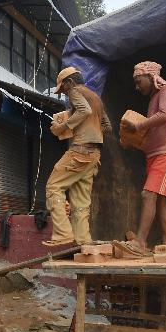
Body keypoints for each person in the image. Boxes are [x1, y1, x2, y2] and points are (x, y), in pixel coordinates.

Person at [116, 61, 166, 256]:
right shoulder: (154, 98)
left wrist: (138, 127)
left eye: (139, 82)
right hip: (155, 154)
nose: (137, 87)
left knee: (148, 195)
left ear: (150, 77)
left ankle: (140, 242)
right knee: (159, 200)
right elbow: (153, 134)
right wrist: (133, 142)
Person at [44, 67, 112, 247]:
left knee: (53, 186)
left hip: (80, 150)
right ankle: (84, 242)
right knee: (81, 201)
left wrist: (63, 127)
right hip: (94, 155)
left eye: (63, 88)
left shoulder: (75, 91)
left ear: (70, 83)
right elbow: (107, 125)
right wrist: (90, 131)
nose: (65, 93)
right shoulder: (96, 97)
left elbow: (84, 111)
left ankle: (63, 234)